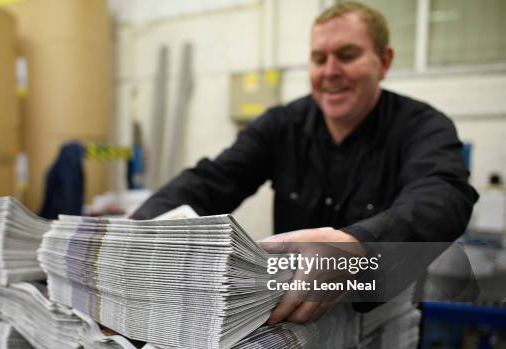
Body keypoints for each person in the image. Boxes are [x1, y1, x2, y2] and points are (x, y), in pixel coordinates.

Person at [132, 2, 478, 324]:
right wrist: (137, 232)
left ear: (384, 62)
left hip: (377, 320)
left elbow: (444, 196)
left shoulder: (422, 126)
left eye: (347, 55)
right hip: (293, 320)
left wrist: (359, 247)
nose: (330, 72)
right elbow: (213, 180)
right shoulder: (281, 125)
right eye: (318, 58)